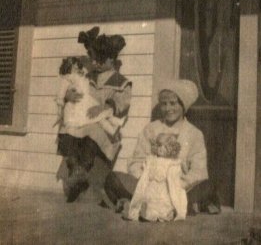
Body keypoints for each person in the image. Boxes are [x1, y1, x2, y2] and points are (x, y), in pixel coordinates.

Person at [103, 79, 220, 215]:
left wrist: (177, 185)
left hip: (179, 188)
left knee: (208, 185)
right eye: (164, 104)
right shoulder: (151, 129)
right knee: (113, 179)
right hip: (149, 186)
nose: (168, 109)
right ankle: (174, 208)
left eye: (173, 103)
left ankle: (143, 205)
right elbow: (136, 161)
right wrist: (147, 181)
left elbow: (199, 171)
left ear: (183, 105)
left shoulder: (194, 134)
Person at [57, 27, 132, 203]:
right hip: (83, 119)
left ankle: (81, 171)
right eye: (93, 59)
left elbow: (123, 101)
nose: (95, 63)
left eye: (100, 60)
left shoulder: (121, 82)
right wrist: (68, 95)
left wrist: (107, 106)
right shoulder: (87, 77)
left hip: (105, 124)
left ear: (112, 60)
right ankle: (76, 169)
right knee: (65, 130)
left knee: (91, 134)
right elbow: (72, 86)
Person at [124, 133, 187, 222]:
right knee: (147, 201)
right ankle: (141, 211)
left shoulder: (171, 163)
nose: (161, 149)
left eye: (165, 147)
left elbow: (174, 182)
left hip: (163, 190)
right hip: (151, 188)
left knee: (162, 205)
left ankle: (155, 214)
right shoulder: (151, 160)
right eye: (159, 146)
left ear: (171, 149)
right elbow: (145, 176)